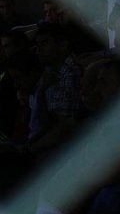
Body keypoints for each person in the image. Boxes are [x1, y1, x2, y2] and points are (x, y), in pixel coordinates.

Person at [27, 23, 82, 155]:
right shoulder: (51, 69)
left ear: (63, 45)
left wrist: (40, 93)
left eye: (45, 43)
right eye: (37, 45)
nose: (39, 50)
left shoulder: (69, 73)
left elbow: (58, 129)